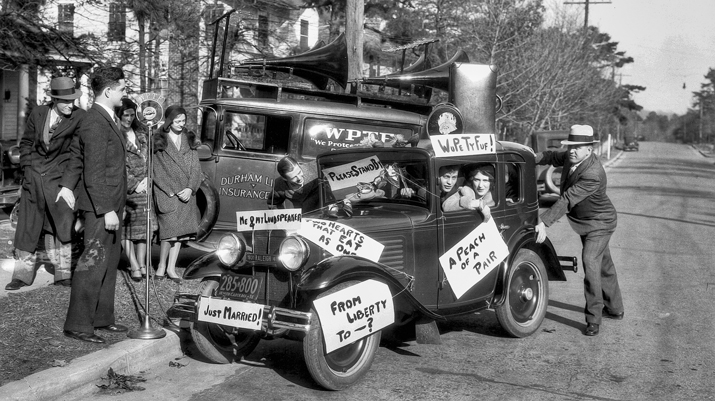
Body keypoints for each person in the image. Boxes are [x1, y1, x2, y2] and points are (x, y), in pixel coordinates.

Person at [58, 66, 129, 343]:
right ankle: (77, 324)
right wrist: (106, 209)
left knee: (109, 263)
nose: (125, 94)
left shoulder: (103, 117)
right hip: (103, 207)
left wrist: (66, 184)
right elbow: (94, 172)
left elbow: (77, 155)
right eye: (122, 89)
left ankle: (100, 318)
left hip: (110, 203)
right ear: (109, 91)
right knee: (93, 262)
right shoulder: (96, 122)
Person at [534, 124, 623, 337]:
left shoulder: (593, 173)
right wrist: (529, 155)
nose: (572, 151)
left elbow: (567, 199)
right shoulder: (570, 157)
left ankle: (594, 319)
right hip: (585, 221)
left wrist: (543, 222)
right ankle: (615, 308)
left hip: (600, 222)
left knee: (591, 261)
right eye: (571, 147)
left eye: (578, 147)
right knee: (604, 265)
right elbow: (551, 156)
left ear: (589, 150)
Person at [5, 77, 85, 291]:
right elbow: (27, 143)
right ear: (55, 100)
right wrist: (28, 169)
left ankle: (63, 275)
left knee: (63, 228)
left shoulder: (80, 117)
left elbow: (77, 155)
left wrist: (68, 185)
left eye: (73, 100)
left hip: (61, 184)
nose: (71, 105)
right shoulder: (39, 113)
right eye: (66, 101)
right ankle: (20, 276)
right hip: (34, 182)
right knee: (27, 229)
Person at [152, 105, 202, 282]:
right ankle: (161, 267)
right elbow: (156, 169)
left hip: (187, 193)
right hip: (168, 193)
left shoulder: (190, 139)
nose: (181, 124)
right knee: (168, 232)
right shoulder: (159, 139)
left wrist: (190, 188)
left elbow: (196, 168)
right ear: (169, 121)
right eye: (177, 120)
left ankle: (172, 269)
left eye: (183, 120)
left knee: (180, 234)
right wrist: (172, 190)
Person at [119, 98, 156, 282]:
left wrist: (148, 179)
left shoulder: (141, 134)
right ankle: (133, 263)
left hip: (145, 187)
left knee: (145, 229)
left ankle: (142, 264)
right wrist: (135, 184)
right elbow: (117, 167)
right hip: (128, 191)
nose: (128, 118)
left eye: (132, 115)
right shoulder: (116, 135)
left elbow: (150, 158)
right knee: (127, 230)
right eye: (125, 115)